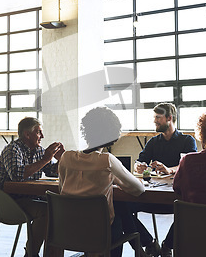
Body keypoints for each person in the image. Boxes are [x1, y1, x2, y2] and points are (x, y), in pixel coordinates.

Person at [58, 107, 146, 257]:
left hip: (68, 229)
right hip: (100, 233)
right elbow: (139, 190)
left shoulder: (65, 157)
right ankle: (144, 249)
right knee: (118, 216)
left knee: (119, 208)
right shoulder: (107, 160)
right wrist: (115, 179)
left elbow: (62, 189)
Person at [0, 117, 64, 257]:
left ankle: (51, 253)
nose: (42, 136)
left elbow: (51, 171)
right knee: (46, 211)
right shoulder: (12, 150)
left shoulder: (38, 150)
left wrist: (62, 158)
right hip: (10, 202)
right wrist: (45, 159)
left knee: (58, 206)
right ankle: (31, 254)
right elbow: (17, 175)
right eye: (39, 132)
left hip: (29, 197)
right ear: (27, 134)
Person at [133, 102, 197, 257]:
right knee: (122, 207)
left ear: (169, 118)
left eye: (158, 117)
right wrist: (138, 166)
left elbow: (188, 165)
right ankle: (148, 242)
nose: (154, 121)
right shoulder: (153, 142)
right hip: (151, 195)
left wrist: (169, 169)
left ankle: (167, 245)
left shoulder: (188, 140)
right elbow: (138, 161)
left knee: (191, 209)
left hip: (175, 196)